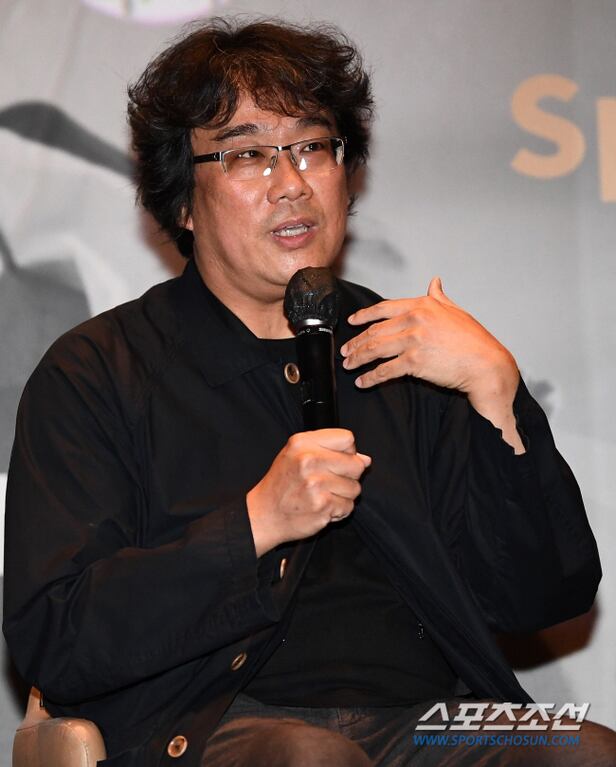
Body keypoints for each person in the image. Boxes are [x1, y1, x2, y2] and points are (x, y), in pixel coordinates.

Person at [3, 17, 614, 767]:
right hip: (206, 728)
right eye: (248, 154)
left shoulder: (411, 350)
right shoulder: (100, 372)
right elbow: (57, 635)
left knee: (584, 750)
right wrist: (255, 524)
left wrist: (499, 396)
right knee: (309, 759)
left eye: (313, 147)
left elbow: (543, 598)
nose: (292, 183)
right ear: (183, 202)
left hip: (430, 725)